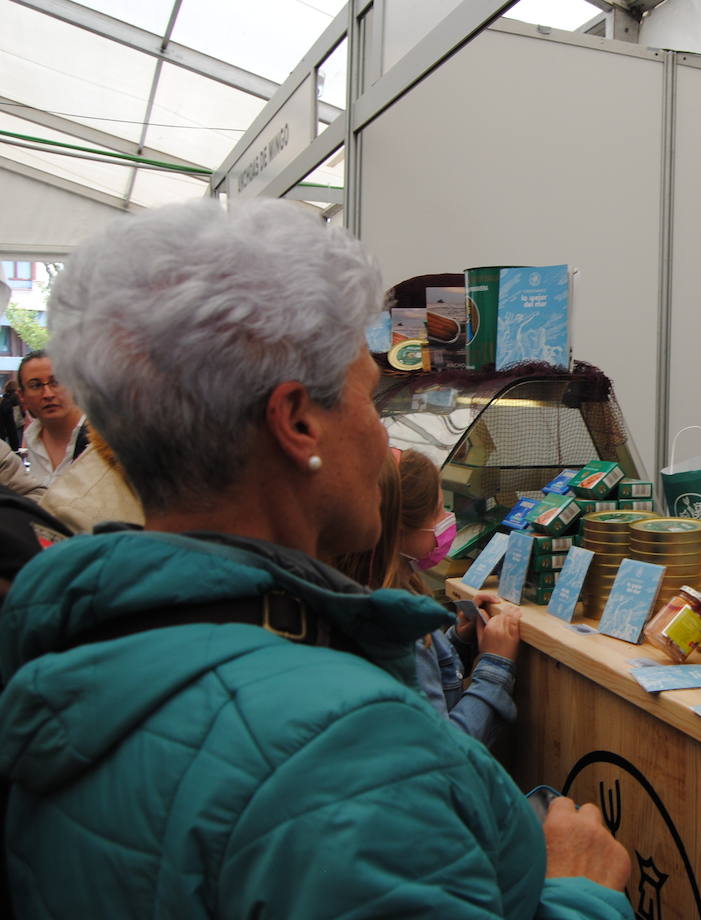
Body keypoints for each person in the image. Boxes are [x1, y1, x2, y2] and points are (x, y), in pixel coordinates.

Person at [0, 199, 631, 918]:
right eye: (368, 398)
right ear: (298, 423)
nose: (386, 439)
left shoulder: (77, 642)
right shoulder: (345, 751)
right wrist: (577, 893)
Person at [335, 448, 520, 746]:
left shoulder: (355, 592)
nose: (447, 519)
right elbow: (446, 748)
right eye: (436, 511)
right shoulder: (398, 629)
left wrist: (456, 642)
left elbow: (426, 681)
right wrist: (494, 666)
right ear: (398, 529)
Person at [16, 349, 87, 486]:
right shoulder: (32, 439)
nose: (48, 394)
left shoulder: (102, 441)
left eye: (56, 382)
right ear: (22, 397)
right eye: (35, 385)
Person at [0, 378, 22, 451]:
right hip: (6, 434)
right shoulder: (15, 400)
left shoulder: (4, 400)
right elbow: (11, 429)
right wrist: (15, 449)